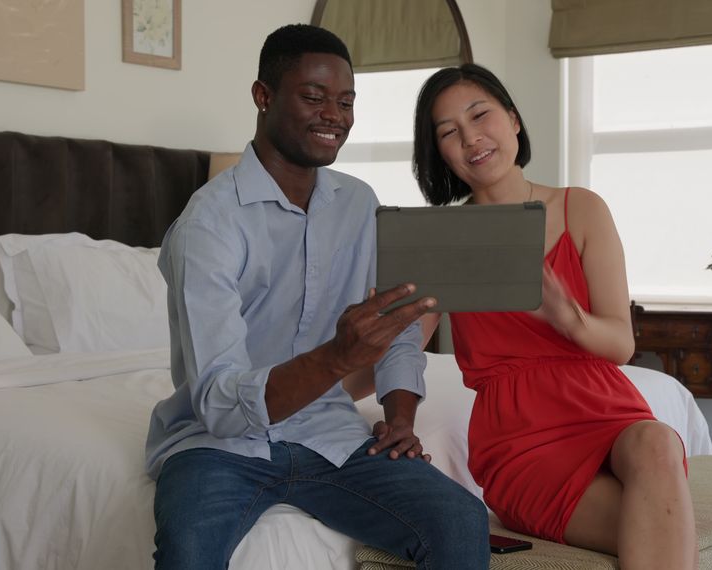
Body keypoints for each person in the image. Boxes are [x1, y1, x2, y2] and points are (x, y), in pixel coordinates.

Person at [144, 25, 489, 570]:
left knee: (461, 521)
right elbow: (217, 402)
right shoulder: (207, 225)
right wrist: (339, 357)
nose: (335, 115)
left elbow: (396, 328)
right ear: (263, 97)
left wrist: (400, 417)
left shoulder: (359, 204)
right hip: (218, 447)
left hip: (331, 436)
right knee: (188, 551)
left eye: (346, 101)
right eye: (313, 97)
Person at [412, 63, 697, 568]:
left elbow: (621, 346)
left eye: (481, 116)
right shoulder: (445, 240)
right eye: (449, 132)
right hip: (522, 443)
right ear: (441, 154)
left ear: (514, 120)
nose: (471, 138)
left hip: (607, 411)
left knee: (657, 440)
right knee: (659, 531)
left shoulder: (580, 209)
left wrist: (568, 318)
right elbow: (396, 357)